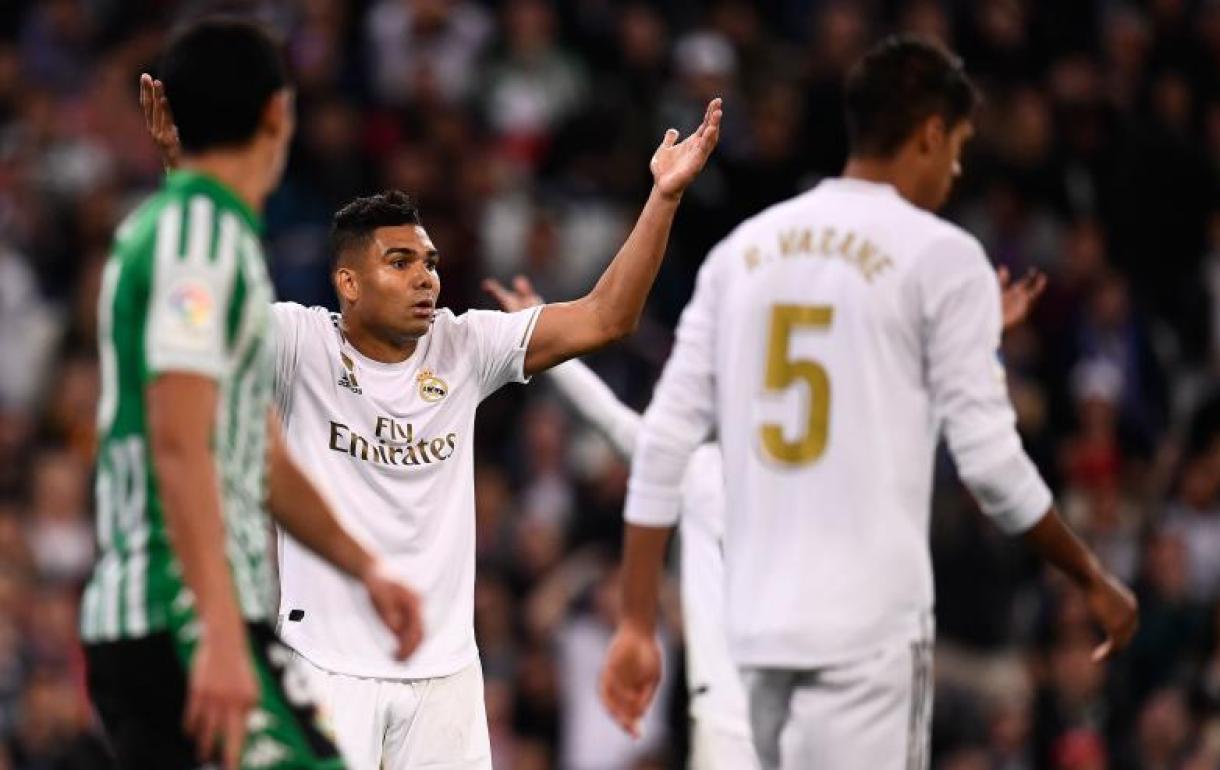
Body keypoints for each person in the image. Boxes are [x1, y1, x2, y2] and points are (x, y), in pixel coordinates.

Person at [138, 66, 722, 769]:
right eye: (400, 261)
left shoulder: (465, 345)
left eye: (431, 262)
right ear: (348, 283)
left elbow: (607, 316)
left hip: (445, 675)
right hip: (324, 665)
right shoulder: (298, 343)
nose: (426, 277)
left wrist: (663, 196)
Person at [598, 35, 1139, 770]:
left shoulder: (742, 252)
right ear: (931, 134)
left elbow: (664, 441)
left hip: (760, 627)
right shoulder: (942, 256)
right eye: (958, 148)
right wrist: (1088, 576)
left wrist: (636, 621)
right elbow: (990, 466)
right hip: (869, 633)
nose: (955, 170)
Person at [484, 264, 1047, 769]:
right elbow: (610, 418)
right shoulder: (701, 472)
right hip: (730, 724)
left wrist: (978, 344)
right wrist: (540, 331)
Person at [81, 19, 422, 770]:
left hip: (189, 616)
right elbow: (180, 442)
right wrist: (219, 633)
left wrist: (365, 569)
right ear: (277, 113)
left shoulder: (210, 237)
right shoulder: (198, 241)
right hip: (177, 613)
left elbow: (256, 449)